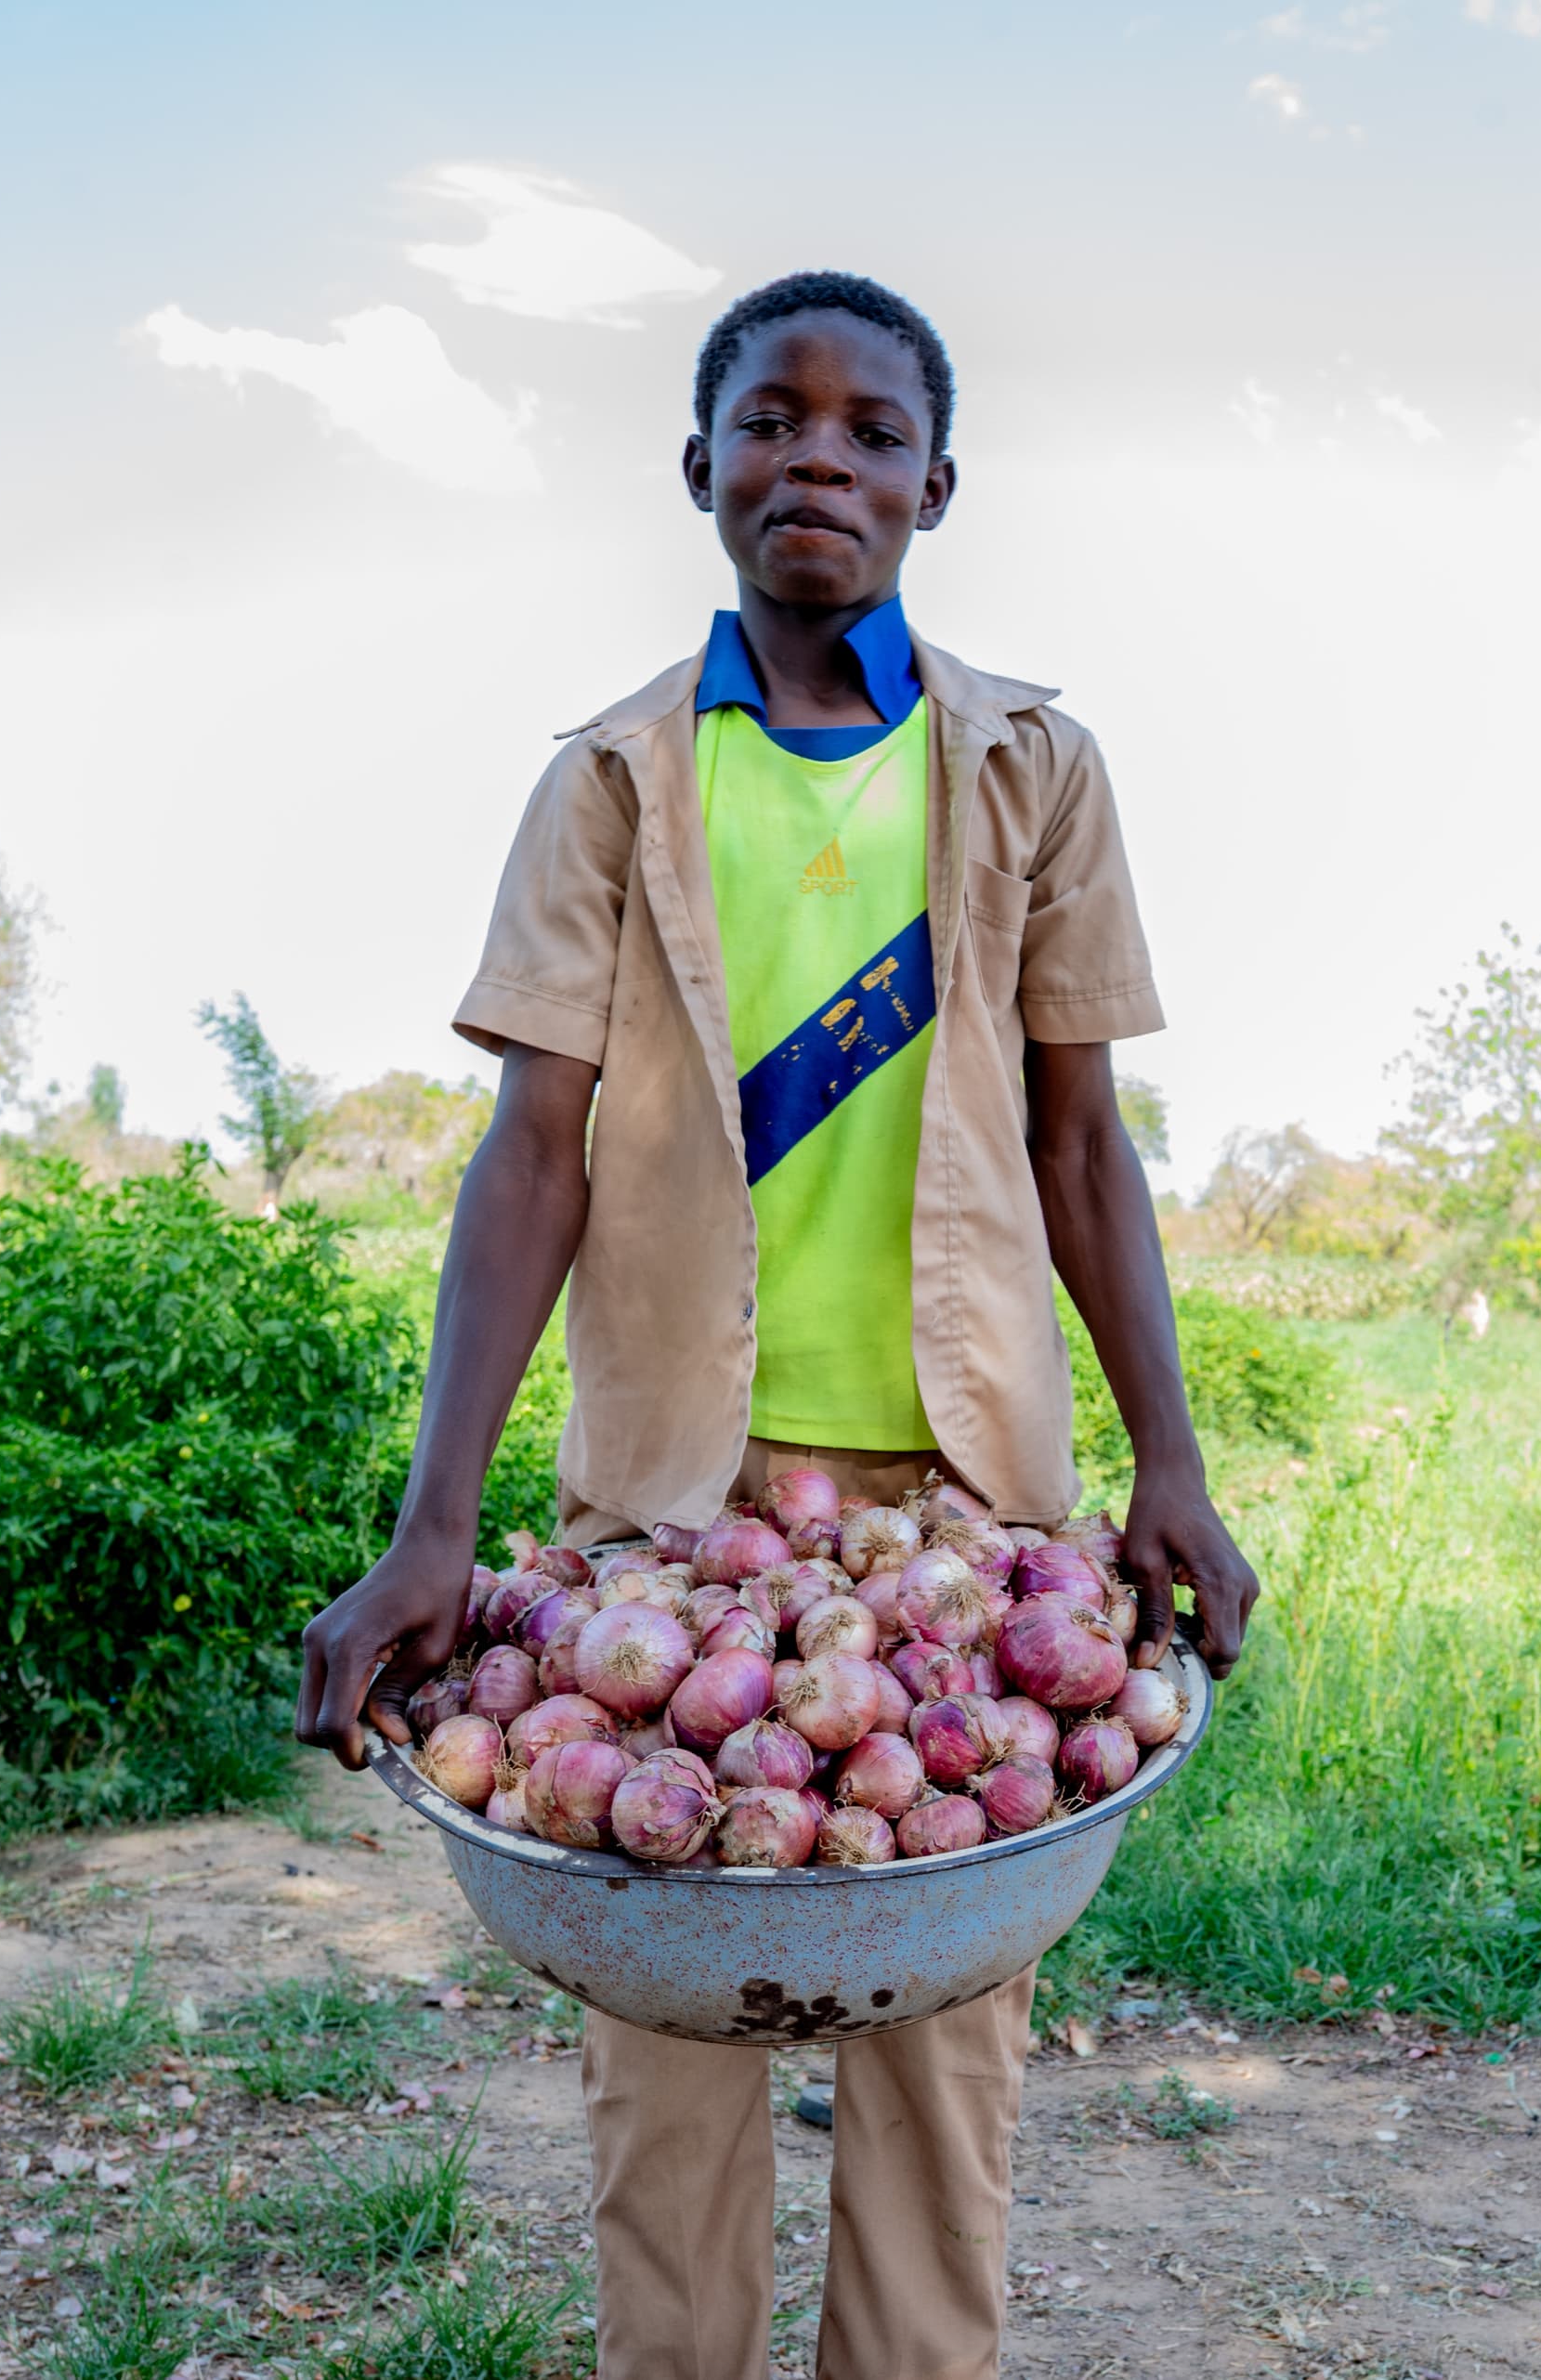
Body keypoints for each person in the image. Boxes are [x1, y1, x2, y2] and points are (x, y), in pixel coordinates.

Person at [294, 267, 1260, 2380]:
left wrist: (1170, 1465)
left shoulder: (1026, 769)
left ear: (935, 484)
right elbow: (529, 1154)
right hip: (674, 1492)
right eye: (771, 417)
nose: (816, 453)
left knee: (944, 2039)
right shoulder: (621, 783)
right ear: (700, 468)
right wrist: (434, 1520)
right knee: (666, 2026)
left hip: (960, 1498)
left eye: (866, 427)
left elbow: (1087, 1146)